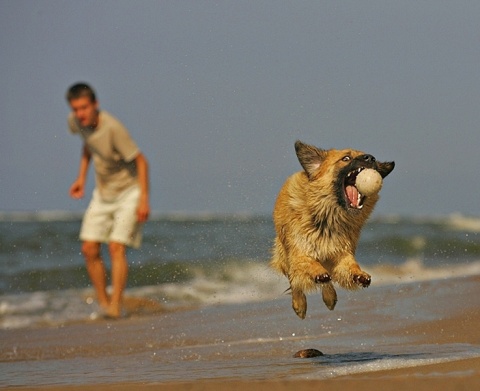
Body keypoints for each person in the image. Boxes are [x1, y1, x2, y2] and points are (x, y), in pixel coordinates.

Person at [66, 82, 150, 318]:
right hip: (103, 193)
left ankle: (116, 305)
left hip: (128, 191)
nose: (80, 114)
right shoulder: (77, 123)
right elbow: (88, 144)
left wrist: (144, 200)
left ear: (95, 105)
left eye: (84, 108)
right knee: (89, 248)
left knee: (115, 246)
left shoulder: (113, 128)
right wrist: (81, 177)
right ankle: (104, 303)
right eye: (75, 109)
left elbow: (142, 162)